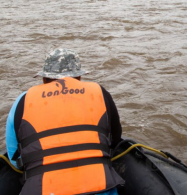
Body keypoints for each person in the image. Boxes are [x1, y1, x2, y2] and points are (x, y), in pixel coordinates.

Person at [6, 48, 124, 195]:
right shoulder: (100, 92)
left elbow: (14, 158)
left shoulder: (23, 100)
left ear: (44, 79)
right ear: (79, 77)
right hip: (101, 188)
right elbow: (115, 141)